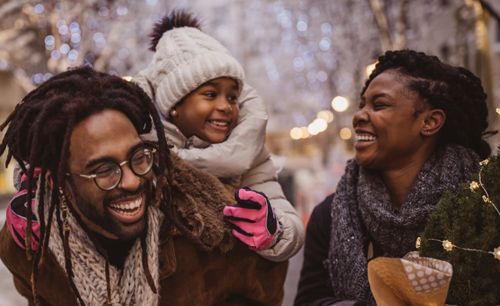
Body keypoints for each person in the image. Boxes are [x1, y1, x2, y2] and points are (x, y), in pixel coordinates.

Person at [0, 67, 288, 305]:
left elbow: (267, 288)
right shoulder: (29, 248)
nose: (133, 181)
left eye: (138, 157)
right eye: (104, 170)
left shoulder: (211, 232)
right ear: (58, 182)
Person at [294, 50, 495, 306]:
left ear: (430, 121)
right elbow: (308, 300)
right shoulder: (331, 214)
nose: (359, 116)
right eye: (362, 105)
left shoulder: (486, 210)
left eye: (379, 105)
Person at [133, 10, 304, 261]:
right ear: (174, 104)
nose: (226, 106)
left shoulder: (249, 151)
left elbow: (288, 219)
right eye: (211, 94)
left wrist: (275, 230)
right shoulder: (136, 150)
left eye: (232, 97)